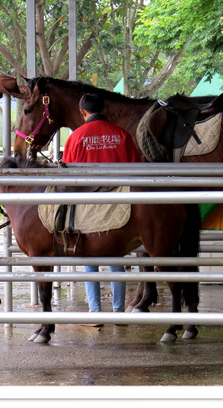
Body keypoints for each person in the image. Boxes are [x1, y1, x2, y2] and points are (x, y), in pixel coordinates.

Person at [62, 93, 139, 325]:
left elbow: (67, 176)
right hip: (118, 204)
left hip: (87, 205)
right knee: (116, 259)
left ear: (82, 112)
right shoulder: (121, 135)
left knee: (89, 259)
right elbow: (136, 169)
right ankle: (118, 312)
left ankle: (95, 312)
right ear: (104, 109)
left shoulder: (75, 137)